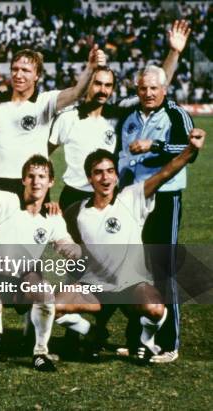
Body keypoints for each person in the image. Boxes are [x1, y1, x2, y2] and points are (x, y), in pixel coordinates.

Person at [55, 128, 205, 363]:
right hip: (95, 289)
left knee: (155, 309)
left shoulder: (132, 198)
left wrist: (190, 150)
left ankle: (146, 341)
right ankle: (92, 333)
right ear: (89, 178)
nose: (105, 178)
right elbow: (62, 238)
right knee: (54, 306)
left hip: (130, 287)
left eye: (110, 172)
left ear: (116, 176)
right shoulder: (78, 211)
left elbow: (165, 173)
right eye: (98, 173)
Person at [48, 20, 192, 212]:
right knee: (71, 243)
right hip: (74, 194)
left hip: (109, 195)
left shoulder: (118, 113)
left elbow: (156, 85)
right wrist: (46, 196)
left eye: (108, 86)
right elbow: (43, 153)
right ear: (87, 84)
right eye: (97, 84)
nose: (103, 90)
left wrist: (174, 52)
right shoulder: (68, 118)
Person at [0, 129, 80, 372]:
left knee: (43, 291)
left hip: (22, 280)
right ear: (23, 180)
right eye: (31, 176)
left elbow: (66, 243)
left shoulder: (52, 217)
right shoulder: (7, 202)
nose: (36, 181)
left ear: (51, 181)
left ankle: (40, 352)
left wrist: (72, 251)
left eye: (42, 176)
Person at [0, 42, 106, 239]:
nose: (19, 75)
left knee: (31, 245)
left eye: (26, 70)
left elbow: (76, 92)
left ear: (37, 75)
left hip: (33, 183)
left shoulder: (45, 101)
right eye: (15, 69)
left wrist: (90, 68)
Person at [117, 64, 196, 363]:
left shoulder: (176, 113)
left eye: (153, 88)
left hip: (165, 197)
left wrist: (155, 144)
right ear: (136, 89)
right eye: (142, 88)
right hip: (134, 199)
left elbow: (190, 148)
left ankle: (168, 343)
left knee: (164, 268)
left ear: (164, 89)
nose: (148, 93)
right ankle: (139, 339)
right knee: (137, 269)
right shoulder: (130, 115)